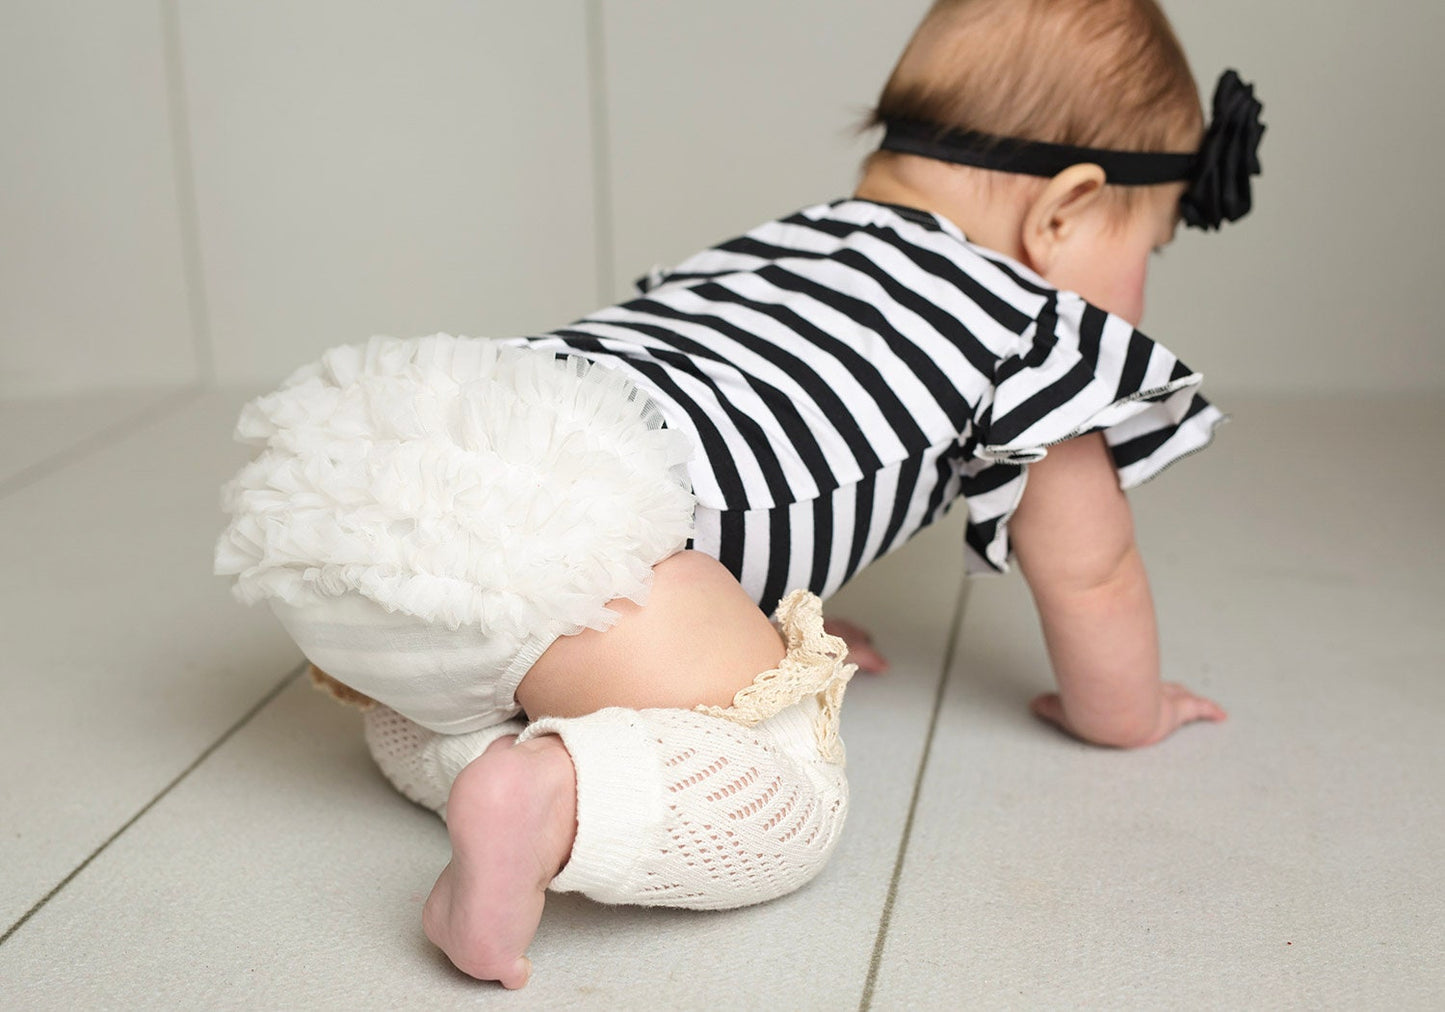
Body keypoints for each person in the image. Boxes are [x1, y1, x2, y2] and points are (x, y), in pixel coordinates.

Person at [215, 0, 1262, 990]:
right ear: (1068, 210)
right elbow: (1090, 573)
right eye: (1150, 245)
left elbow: (735, 429)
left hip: (386, 466)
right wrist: (1125, 713)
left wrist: (738, 620)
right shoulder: (1038, 334)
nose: (1141, 282)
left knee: (513, 656)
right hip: (577, 525)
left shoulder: (782, 246)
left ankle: (448, 727)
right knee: (787, 795)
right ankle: (549, 797)